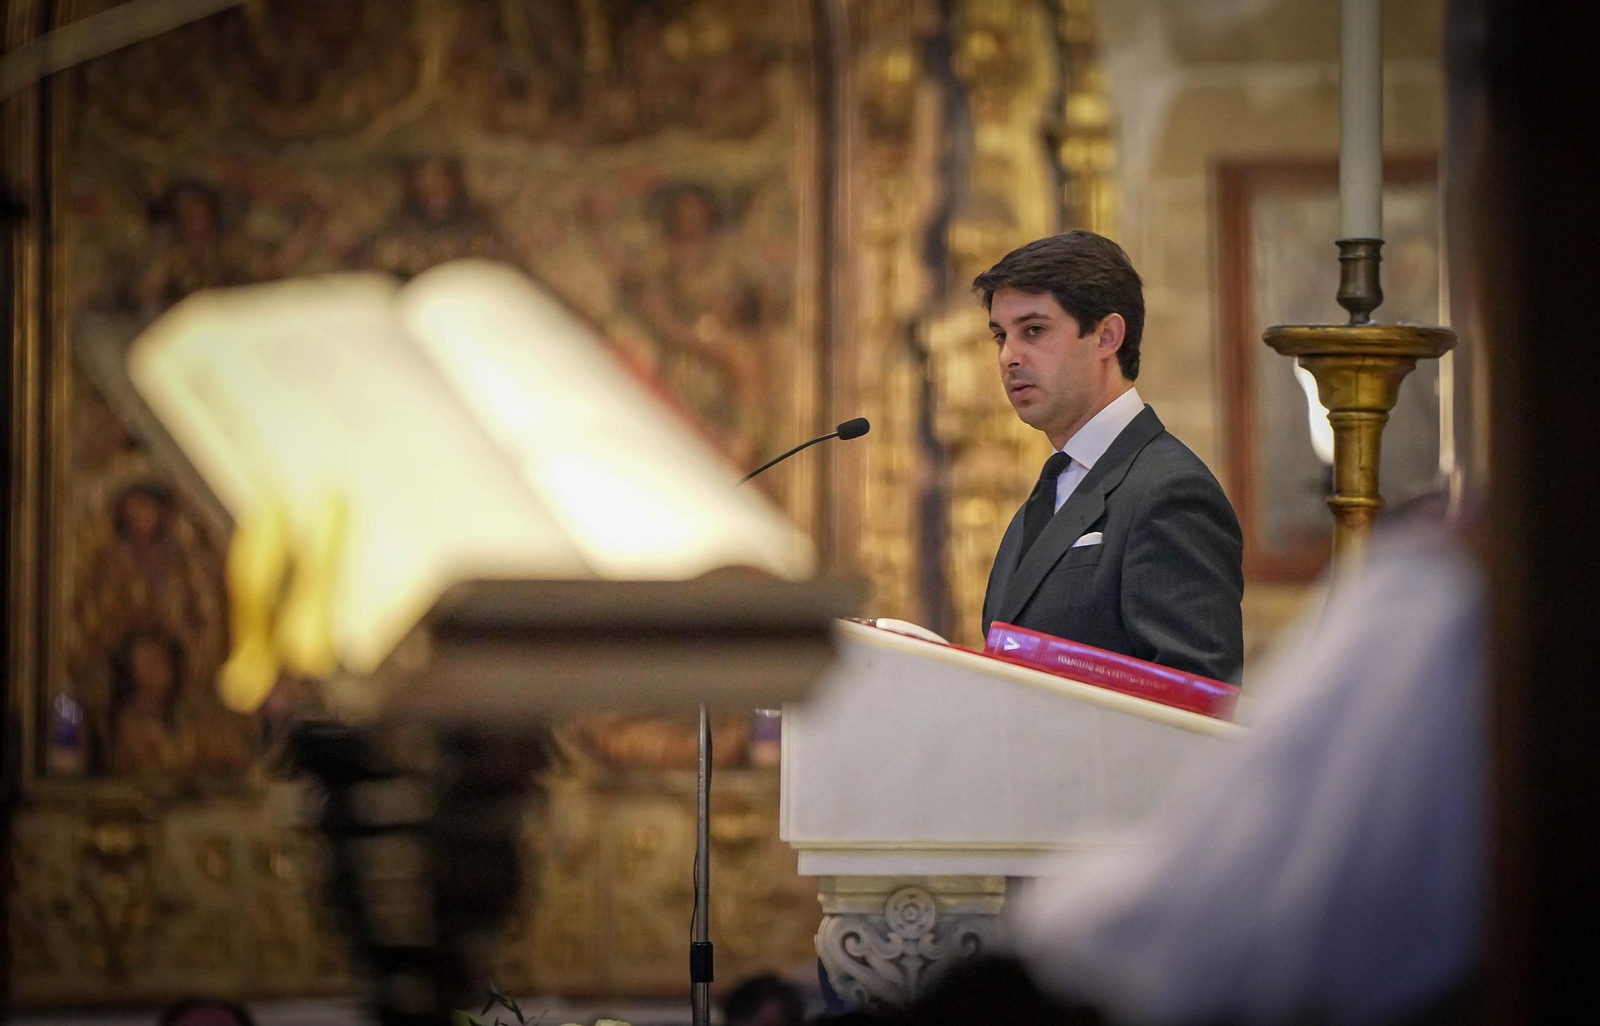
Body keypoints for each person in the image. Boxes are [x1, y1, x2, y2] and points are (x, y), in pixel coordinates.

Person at [975, 231, 1243, 682]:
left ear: (1107, 336)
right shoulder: (1057, 484)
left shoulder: (1170, 490)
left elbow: (1194, 697)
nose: (1008, 356)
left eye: (1034, 330)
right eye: (1001, 335)